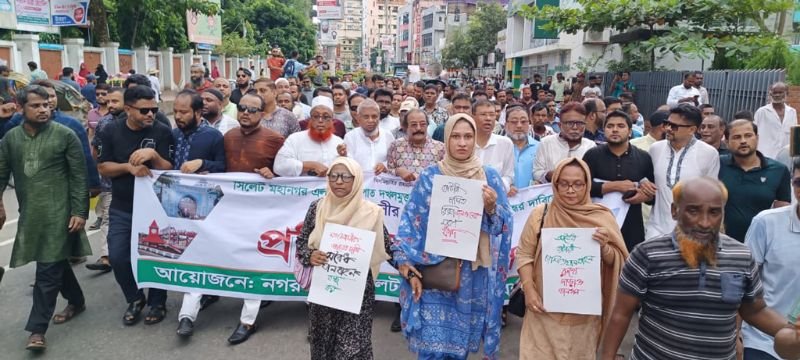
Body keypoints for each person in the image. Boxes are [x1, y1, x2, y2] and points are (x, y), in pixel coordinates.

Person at [600, 177, 800, 360]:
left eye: (714, 212)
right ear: (674, 211)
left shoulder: (741, 256)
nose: (705, 223)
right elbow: (621, 314)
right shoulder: (647, 254)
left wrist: (792, 331)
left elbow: (755, 310)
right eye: (693, 211)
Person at [393, 113, 512, 359]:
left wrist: (491, 208)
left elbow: (503, 225)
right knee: (431, 346)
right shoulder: (430, 176)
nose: (462, 143)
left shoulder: (489, 177)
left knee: (458, 348)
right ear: (446, 139)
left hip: (471, 276)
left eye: (468, 136)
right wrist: (407, 264)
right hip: (434, 270)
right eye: (456, 136)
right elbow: (411, 222)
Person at [0, 85, 91, 351]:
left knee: (47, 270)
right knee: (54, 261)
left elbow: (79, 176)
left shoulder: (65, 135)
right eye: (36, 105)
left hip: (60, 214)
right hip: (31, 213)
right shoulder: (11, 139)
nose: (43, 109)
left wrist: (79, 212)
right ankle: (77, 300)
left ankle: (37, 330)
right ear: (20, 108)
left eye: (46, 105)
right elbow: (1, 173)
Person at [516, 157, 627, 360]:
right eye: (564, 184)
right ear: (555, 184)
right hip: (542, 311)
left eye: (578, 184)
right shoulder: (541, 214)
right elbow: (524, 254)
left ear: (587, 185)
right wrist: (529, 290)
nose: (570, 190)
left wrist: (604, 248)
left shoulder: (601, 217)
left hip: (583, 318)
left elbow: (618, 261)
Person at [296, 157, 394, 359]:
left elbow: (388, 247)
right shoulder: (318, 208)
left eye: (345, 176)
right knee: (323, 346)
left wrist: (406, 267)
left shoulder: (371, 212)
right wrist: (310, 255)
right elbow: (302, 241)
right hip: (324, 292)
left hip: (358, 294)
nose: (338, 181)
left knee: (352, 350)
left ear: (356, 179)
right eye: (333, 175)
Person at [97, 85, 174, 326]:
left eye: (154, 109)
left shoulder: (162, 131)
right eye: (144, 111)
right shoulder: (110, 131)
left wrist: (153, 155)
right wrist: (128, 168)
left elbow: (170, 168)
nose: (150, 114)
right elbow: (103, 167)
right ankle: (135, 298)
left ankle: (158, 302)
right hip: (123, 206)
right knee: (118, 256)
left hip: (155, 208)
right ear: (128, 109)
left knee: (156, 256)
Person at [742, 157, 800, 360]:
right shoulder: (766, 223)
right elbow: (743, 283)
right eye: (799, 182)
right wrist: (735, 338)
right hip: (764, 340)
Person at [583, 110, 655, 251]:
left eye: (621, 126)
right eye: (610, 126)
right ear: (604, 131)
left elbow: (652, 196)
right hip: (597, 224)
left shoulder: (643, 157)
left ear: (630, 131)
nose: (615, 130)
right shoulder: (592, 155)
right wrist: (613, 186)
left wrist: (643, 196)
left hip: (632, 226)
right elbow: (582, 187)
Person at [646, 104, 719, 240]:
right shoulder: (655, 149)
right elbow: (647, 182)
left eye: (674, 126)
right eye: (667, 123)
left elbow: (711, 195)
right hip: (656, 229)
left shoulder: (708, 153)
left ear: (692, 129)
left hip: (692, 233)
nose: (668, 129)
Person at [718, 119, 790, 243]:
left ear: (757, 138)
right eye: (736, 137)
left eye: (748, 135)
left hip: (761, 242)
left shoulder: (778, 170)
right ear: (727, 142)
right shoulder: (717, 164)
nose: (743, 141)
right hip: (721, 242)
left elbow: (782, 211)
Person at [85, 86, 126, 272]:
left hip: (134, 184)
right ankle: (106, 257)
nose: (110, 104)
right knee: (108, 218)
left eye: (115, 101)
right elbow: (95, 150)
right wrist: (97, 174)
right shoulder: (104, 123)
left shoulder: (139, 122)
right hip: (108, 183)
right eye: (108, 101)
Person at [274, 96, 344, 177]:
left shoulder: (339, 142)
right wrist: (310, 165)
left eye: (326, 117)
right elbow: (279, 166)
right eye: (316, 116)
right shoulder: (295, 139)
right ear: (310, 119)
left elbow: (351, 169)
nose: (320, 121)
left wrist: (344, 157)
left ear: (332, 120)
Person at [533, 102, 597, 183]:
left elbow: (595, 176)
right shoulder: (546, 143)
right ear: (560, 125)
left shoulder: (591, 146)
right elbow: (537, 172)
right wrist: (552, 175)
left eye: (579, 123)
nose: (575, 127)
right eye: (569, 123)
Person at [386, 109, 445, 182]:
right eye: (414, 125)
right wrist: (397, 171)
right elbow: (386, 174)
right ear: (406, 127)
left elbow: (445, 176)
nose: (418, 128)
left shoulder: (441, 148)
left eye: (423, 124)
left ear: (427, 126)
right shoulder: (395, 146)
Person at [340, 99, 394, 174]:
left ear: (379, 117)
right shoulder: (350, 137)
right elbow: (349, 163)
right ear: (358, 118)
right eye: (366, 117)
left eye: (374, 116)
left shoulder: (388, 135)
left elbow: (394, 160)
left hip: (382, 183)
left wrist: (385, 165)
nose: (370, 120)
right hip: (359, 182)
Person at [473, 99, 515, 191]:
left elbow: (509, 176)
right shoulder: (465, 143)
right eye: (483, 114)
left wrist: (497, 186)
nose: (488, 118)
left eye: (492, 115)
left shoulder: (505, 143)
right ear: (473, 117)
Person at [754, 82, 797, 159]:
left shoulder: (792, 112)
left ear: (786, 93)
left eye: (780, 92)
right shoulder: (762, 112)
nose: (777, 95)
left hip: (785, 156)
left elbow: (794, 134)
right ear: (770, 94)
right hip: (765, 155)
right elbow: (754, 132)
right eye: (775, 92)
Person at [506, 106, 539, 194]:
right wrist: (504, 186)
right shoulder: (498, 147)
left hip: (532, 202)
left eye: (523, 121)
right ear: (506, 124)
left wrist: (540, 183)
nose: (519, 125)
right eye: (514, 122)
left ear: (529, 123)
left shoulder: (540, 147)